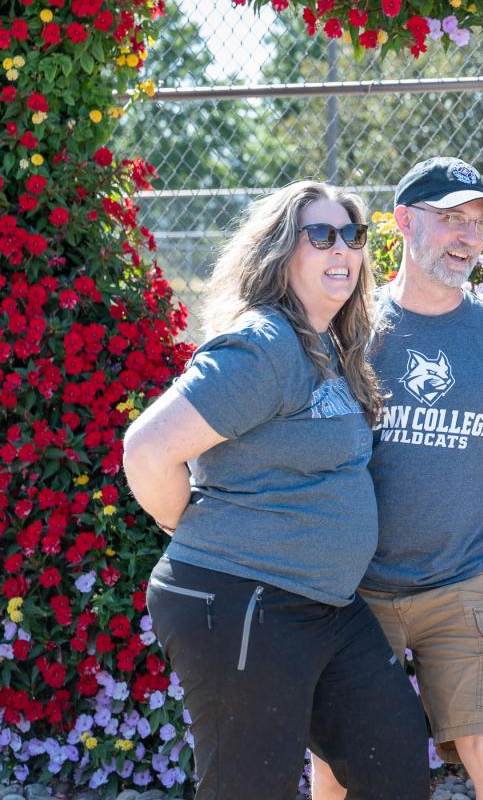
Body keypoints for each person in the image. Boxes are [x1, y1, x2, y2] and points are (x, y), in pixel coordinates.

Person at [123, 181, 428, 799]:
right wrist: (196, 529)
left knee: (394, 758)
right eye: (321, 235)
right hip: (243, 600)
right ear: (280, 252)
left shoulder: (330, 347)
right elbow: (147, 449)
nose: (342, 248)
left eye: (353, 235)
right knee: (249, 789)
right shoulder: (264, 346)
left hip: (323, 605)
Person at [311, 157, 483, 800]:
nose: (466, 236)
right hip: (353, 583)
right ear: (403, 222)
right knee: (340, 756)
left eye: (476, 222)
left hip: (463, 579)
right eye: (450, 218)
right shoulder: (349, 329)